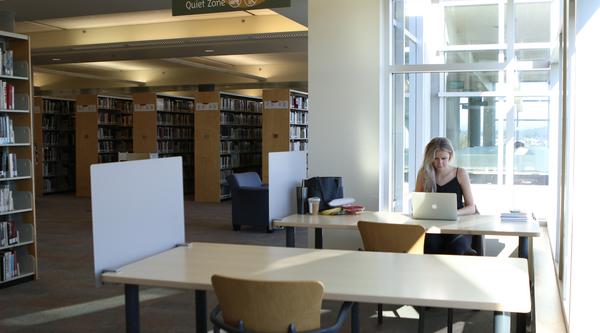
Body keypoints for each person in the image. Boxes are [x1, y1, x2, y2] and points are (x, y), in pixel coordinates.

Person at [415, 137, 477, 255]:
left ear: (450, 155)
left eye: (444, 158)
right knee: (429, 246)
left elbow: (471, 207)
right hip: (432, 227)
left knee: (457, 248)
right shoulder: (424, 173)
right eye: (436, 158)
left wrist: (454, 212)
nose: (440, 163)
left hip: (458, 226)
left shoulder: (460, 173)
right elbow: (417, 204)